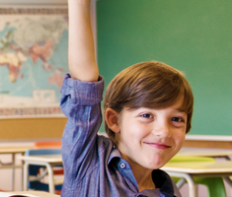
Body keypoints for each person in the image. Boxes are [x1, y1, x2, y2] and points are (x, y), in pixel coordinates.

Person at [61, 0, 195, 196]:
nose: (163, 131)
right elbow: (84, 85)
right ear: (114, 120)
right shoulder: (89, 161)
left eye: (176, 119)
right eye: (147, 115)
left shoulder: (170, 192)